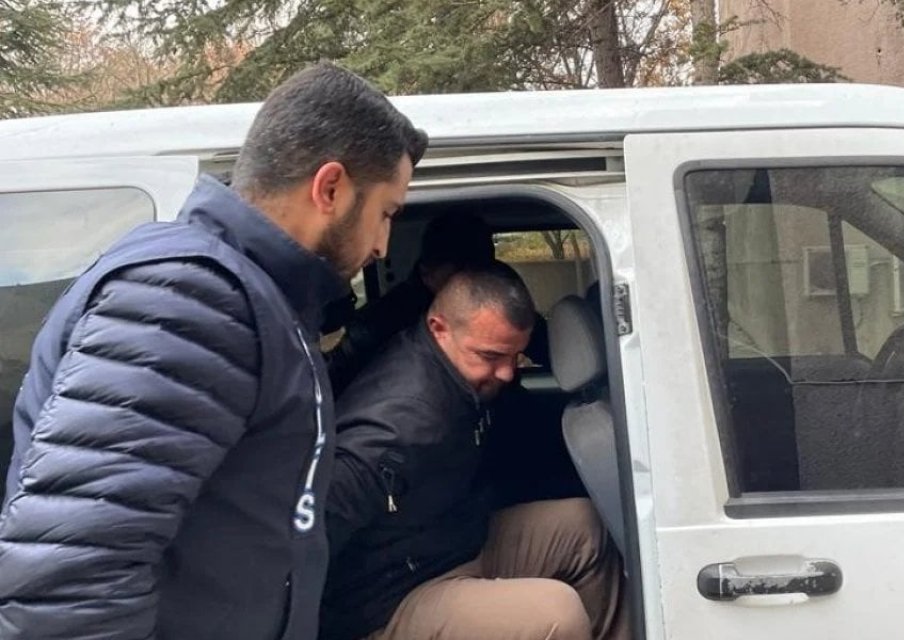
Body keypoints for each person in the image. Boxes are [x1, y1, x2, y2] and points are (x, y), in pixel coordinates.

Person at [0, 62, 427, 640]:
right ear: (329, 188)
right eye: (386, 214)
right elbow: (70, 587)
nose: (382, 245)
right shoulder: (191, 299)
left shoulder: (257, 300)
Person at [322, 262, 628, 640]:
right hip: (391, 599)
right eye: (491, 357)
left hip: (455, 544)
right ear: (439, 328)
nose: (507, 373)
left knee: (587, 527)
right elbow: (314, 529)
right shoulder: (394, 424)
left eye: (515, 357)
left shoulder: (460, 374)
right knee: (555, 613)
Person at [324, 211, 549, 396]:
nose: (475, 285)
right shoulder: (380, 323)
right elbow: (338, 384)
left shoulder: (495, 303)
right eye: (461, 271)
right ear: (429, 271)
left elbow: (546, 346)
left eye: (481, 269)